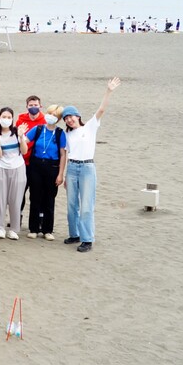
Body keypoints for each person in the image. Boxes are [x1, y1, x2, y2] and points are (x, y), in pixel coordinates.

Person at [62, 77, 121, 252]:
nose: (69, 120)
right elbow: (66, 154)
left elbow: (102, 109)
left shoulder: (89, 127)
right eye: (66, 118)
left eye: (71, 116)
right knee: (72, 204)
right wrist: (64, 175)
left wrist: (108, 91)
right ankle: (74, 234)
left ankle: (87, 239)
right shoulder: (68, 135)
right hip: (72, 168)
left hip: (87, 168)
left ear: (78, 116)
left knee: (87, 205)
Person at [20, 104, 65, 240]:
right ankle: (33, 228)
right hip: (36, 165)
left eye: (54, 115)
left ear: (58, 119)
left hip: (52, 167)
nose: (51, 116)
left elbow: (63, 154)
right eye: (49, 113)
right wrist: (21, 135)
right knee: (35, 197)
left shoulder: (60, 133)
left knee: (49, 198)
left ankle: (47, 230)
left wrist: (60, 173)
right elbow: (25, 140)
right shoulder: (38, 129)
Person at [0, 108, 27, 241]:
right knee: (0, 199)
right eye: (3, 116)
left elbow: (24, 151)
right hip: (1, 168)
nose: (6, 119)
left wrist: (21, 136)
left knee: (16, 200)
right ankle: (0, 227)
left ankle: (14, 229)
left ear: (12, 119)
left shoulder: (17, 132)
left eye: (9, 117)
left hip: (18, 168)